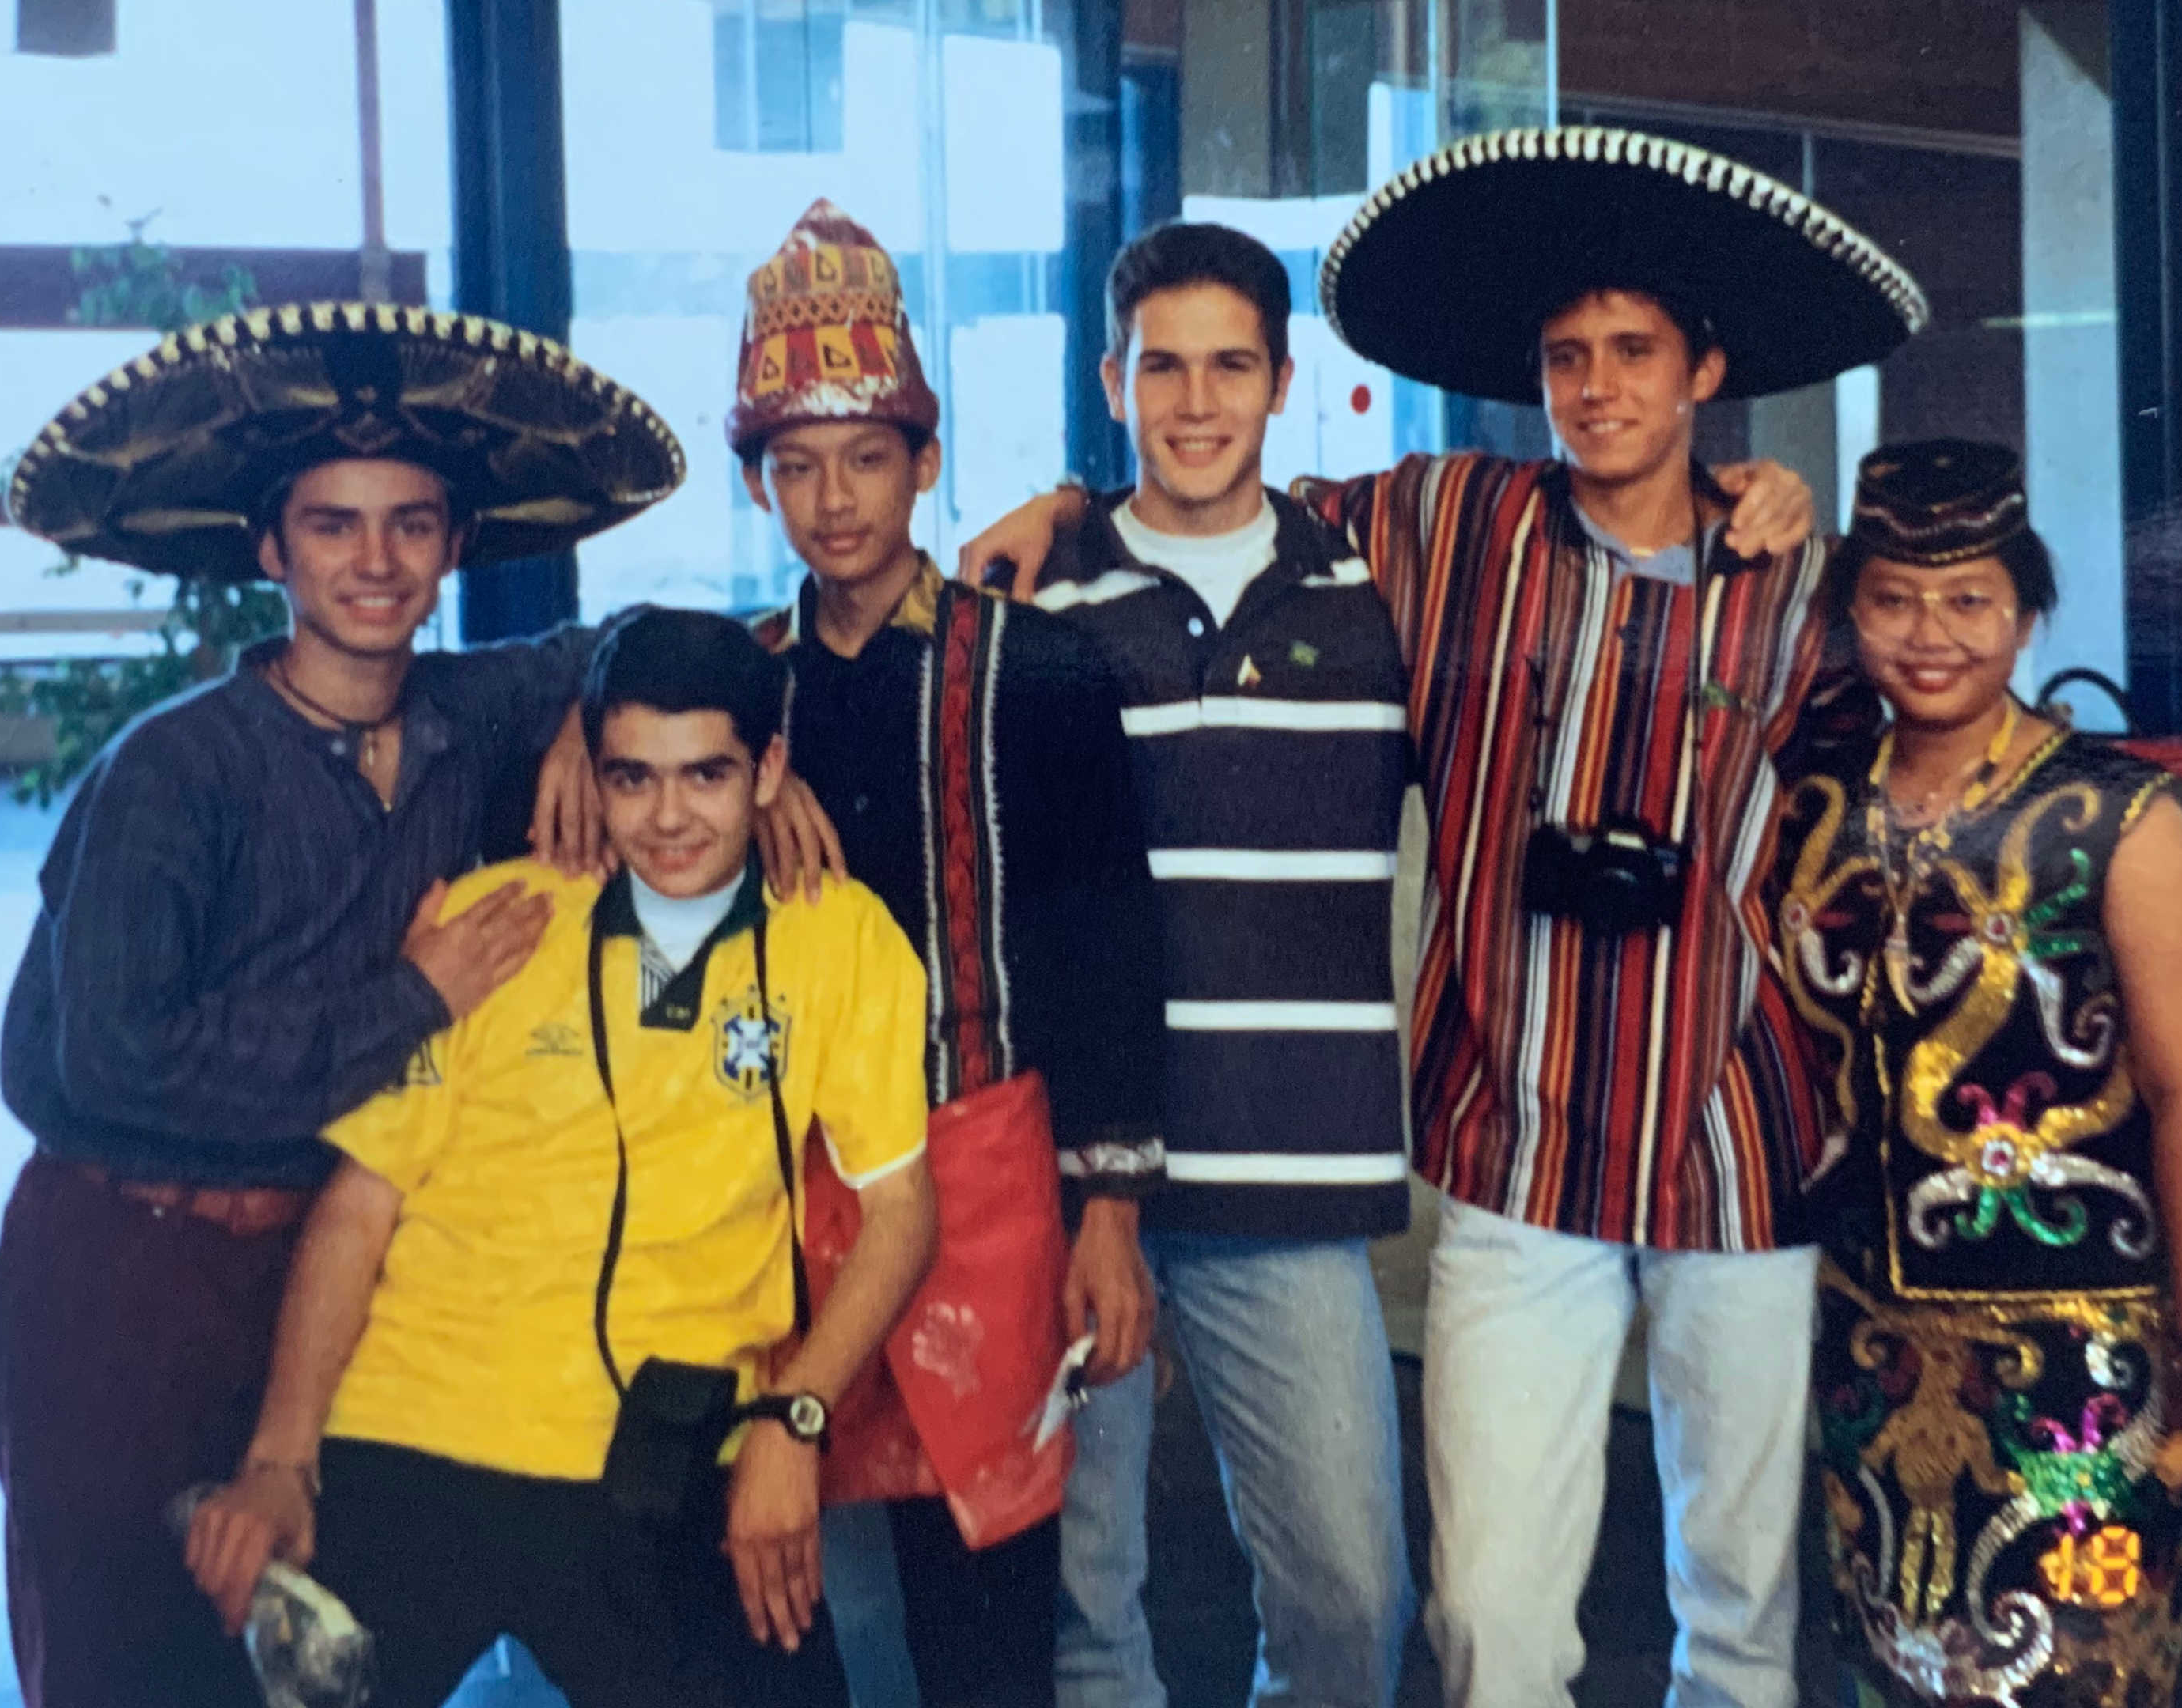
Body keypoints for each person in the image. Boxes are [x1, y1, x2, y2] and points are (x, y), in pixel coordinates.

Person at [969, 127, 1916, 1708]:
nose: (1597, 387)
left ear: (1705, 373)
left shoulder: (1788, 578)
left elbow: (1894, 781)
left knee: (1717, 1608)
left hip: (1722, 1134)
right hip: (1499, 1146)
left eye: (1634, 353)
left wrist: (1782, 492)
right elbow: (1202, 493)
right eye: (1567, 357)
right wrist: (1061, 505)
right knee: (1460, 1620)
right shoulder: (1441, 526)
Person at [0, 300, 683, 1708]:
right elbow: (113, 1055)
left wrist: (585, 711)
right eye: (334, 526)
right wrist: (412, 998)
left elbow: (652, 636)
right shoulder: (172, 771)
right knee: (128, 1670)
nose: (376, 561)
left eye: (411, 525)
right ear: (272, 551)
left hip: (323, 1279)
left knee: (300, 1668)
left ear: (455, 545)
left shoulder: (465, 719)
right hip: (127, 1277)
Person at [180, 608, 939, 1708]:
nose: (668, 818)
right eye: (633, 779)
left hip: (664, 1451)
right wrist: (280, 1460)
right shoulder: (497, 919)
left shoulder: (840, 937)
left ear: (769, 772)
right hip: (417, 1427)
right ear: (593, 770)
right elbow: (361, 1204)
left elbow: (901, 1209)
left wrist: (797, 1414)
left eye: (707, 776)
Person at [1774, 440, 2182, 1708]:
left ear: (2026, 613)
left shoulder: (2124, 816)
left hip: (2079, 1361)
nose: (1931, 634)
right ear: (1851, 613)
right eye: (1893, 599)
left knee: (2078, 1678)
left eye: (1970, 600)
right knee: (1887, 1673)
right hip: (1862, 1347)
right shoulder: (1807, 804)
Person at [734, 198, 1168, 1708]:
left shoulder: (1041, 669)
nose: (833, 500)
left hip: (992, 1181)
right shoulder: (741, 694)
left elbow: (1109, 941)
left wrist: (1110, 1212)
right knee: (812, 1611)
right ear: (760, 481)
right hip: (787, 1192)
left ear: (924, 463)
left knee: (992, 1616)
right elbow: (603, 720)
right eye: (797, 466)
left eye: (866, 459)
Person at [1016, 221, 1416, 1708]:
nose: (1196, 403)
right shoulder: (1029, 597)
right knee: (1082, 1600)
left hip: (1288, 1172)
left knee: (1352, 1600)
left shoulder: (1375, 586)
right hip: (1070, 1183)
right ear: (1110, 381)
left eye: (1231, 366)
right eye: (1163, 368)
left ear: (1282, 382)